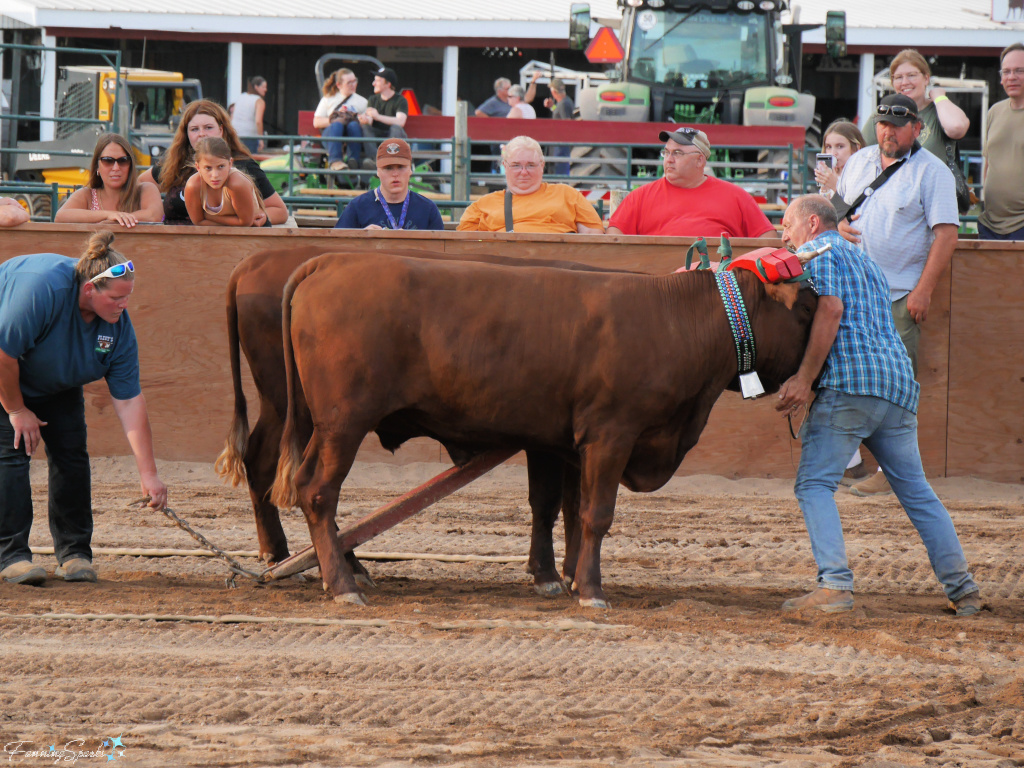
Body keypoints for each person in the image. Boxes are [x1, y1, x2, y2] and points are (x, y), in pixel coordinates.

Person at [773, 195, 981, 617]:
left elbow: (830, 309)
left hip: (851, 383)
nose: (784, 235)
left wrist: (804, 379)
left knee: (813, 485)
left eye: (787, 226)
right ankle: (964, 590)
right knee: (917, 492)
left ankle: (834, 586)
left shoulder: (815, 252)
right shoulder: (866, 261)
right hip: (897, 384)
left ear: (812, 224)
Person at [0, 231, 168, 586]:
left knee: (72, 455)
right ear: (90, 290)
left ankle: (74, 553)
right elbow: (3, 355)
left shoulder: (118, 330)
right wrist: (16, 411)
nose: (124, 306)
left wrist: (148, 474)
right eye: (117, 298)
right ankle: (12, 556)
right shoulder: (42, 290)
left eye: (128, 297)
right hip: (5, 373)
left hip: (55, 381)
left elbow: (130, 402)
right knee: (13, 453)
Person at [836, 93, 959, 497]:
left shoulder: (932, 171)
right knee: (845, 378)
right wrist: (836, 227)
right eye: (883, 123)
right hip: (852, 291)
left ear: (916, 128)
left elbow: (946, 234)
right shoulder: (859, 160)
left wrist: (923, 290)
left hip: (898, 294)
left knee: (896, 385)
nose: (888, 131)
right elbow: (837, 208)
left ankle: (891, 473)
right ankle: (849, 463)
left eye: (897, 124)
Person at [607, 127, 778, 239]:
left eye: (677, 153)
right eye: (666, 153)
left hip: (716, 283)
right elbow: (614, 237)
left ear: (699, 161)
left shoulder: (736, 197)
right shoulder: (640, 197)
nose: (669, 160)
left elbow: (767, 237)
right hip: (657, 285)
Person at [139, 100, 289, 226]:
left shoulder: (243, 165)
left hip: (227, 248)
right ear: (187, 134)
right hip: (172, 245)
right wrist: (153, 210)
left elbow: (280, 210)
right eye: (194, 129)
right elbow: (141, 184)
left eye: (208, 128)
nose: (202, 134)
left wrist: (263, 215)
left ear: (221, 130)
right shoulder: (175, 161)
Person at [456, 135, 604, 234]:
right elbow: (466, 249)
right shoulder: (481, 206)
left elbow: (593, 238)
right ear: (505, 166)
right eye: (516, 165)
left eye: (531, 165)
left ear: (542, 166)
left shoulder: (568, 195)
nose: (524, 172)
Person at [861, 49, 969, 160]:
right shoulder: (882, 115)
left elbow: (957, 128)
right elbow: (861, 155)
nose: (905, 82)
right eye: (898, 77)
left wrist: (939, 97)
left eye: (911, 75)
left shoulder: (938, 111)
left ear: (926, 78)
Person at [54, 133, 163, 227]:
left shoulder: (145, 189)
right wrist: (108, 215)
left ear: (131, 165)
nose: (116, 168)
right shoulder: (87, 195)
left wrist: (114, 221)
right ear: (97, 166)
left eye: (123, 160)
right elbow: (60, 217)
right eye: (108, 161)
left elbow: (153, 216)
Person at [334, 138, 443, 231]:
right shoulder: (357, 207)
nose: (395, 174)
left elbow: (441, 252)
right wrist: (361, 239)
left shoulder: (428, 209)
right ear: (378, 171)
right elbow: (336, 249)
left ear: (410, 169)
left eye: (401, 167)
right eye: (388, 168)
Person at [977, 43, 1024, 240]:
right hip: (990, 225)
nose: (1011, 77)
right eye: (1006, 72)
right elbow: (988, 163)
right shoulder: (994, 111)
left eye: (1019, 71)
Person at [184, 137, 267, 227]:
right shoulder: (193, 185)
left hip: (254, 232)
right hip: (216, 234)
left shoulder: (236, 184)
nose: (215, 175)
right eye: (208, 168)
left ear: (230, 163)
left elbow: (245, 223)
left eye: (221, 166)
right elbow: (198, 222)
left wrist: (208, 216)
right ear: (198, 167)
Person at [314, 68, 368, 173]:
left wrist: (358, 119)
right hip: (332, 136)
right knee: (337, 125)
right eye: (349, 83)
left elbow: (367, 124)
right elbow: (316, 122)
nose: (353, 85)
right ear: (339, 85)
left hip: (351, 135)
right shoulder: (328, 98)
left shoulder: (362, 101)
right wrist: (338, 118)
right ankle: (335, 161)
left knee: (353, 125)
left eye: (354, 81)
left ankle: (353, 161)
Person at [814, 119, 866, 199]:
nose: (833, 153)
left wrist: (835, 185)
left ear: (856, 148)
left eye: (840, 146)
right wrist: (825, 188)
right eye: (829, 147)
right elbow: (826, 209)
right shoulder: (832, 173)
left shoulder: (864, 174)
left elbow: (851, 206)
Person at [358, 67, 408, 140]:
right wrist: (364, 119)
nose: (373, 83)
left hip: (394, 137)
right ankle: (372, 152)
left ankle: (390, 151)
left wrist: (378, 116)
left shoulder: (400, 100)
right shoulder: (373, 99)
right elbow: (370, 120)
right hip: (377, 134)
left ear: (388, 84)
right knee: (366, 128)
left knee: (396, 128)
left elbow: (400, 122)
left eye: (377, 81)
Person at [544, 78, 575, 176]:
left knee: (560, 170)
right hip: (561, 145)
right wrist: (553, 107)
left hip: (561, 145)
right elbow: (561, 116)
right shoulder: (564, 102)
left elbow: (567, 122)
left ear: (553, 92)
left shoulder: (563, 104)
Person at [231, 76, 267, 154]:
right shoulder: (259, 101)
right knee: (250, 161)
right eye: (263, 87)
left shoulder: (241, 96)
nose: (265, 89)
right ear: (256, 87)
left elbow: (233, 116)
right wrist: (260, 139)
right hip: (250, 137)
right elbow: (258, 121)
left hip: (236, 134)